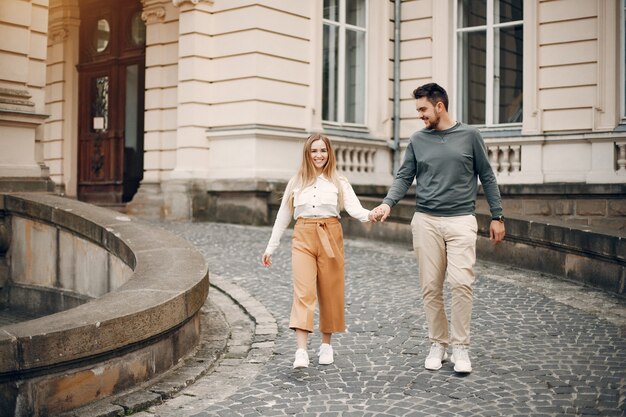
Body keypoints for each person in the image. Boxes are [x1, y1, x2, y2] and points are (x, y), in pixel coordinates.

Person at [369, 83, 505, 373]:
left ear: (439, 106)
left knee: (461, 283)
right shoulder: (418, 140)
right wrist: (387, 204)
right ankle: (438, 344)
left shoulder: (470, 136)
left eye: (422, 109)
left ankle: (461, 348)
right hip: (426, 221)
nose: (420, 115)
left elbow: (487, 177)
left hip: (461, 221)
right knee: (431, 287)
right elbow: (404, 177)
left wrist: (497, 215)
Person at [262, 133, 372, 369]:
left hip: (331, 234)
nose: (318, 155)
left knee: (330, 291)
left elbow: (355, 209)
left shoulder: (339, 181)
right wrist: (271, 247)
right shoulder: (296, 182)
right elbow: (283, 216)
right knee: (303, 292)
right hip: (302, 235)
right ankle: (301, 351)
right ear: (307, 154)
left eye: (323, 150)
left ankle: (326, 345)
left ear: (329, 153)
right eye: (314, 151)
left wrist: (372, 214)